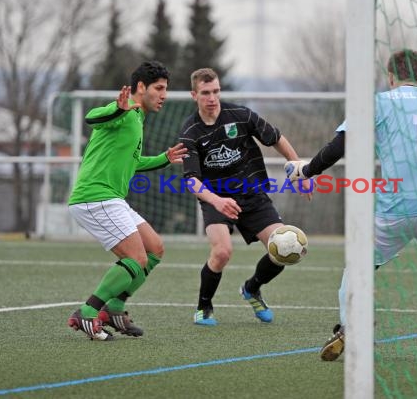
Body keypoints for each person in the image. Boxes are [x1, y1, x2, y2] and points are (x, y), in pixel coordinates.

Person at [285, 49, 417, 362]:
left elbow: (340, 145)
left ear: (390, 78)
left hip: (397, 207)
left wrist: (307, 171)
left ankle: (349, 325)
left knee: (360, 266)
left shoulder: (377, 102)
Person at [178, 68, 311, 326]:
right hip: (215, 197)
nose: (212, 98)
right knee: (222, 252)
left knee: (283, 248)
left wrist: (298, 170)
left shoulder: (240, 115)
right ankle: (204, 307)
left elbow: (276, 138)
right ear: (194, 95)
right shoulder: (190, 131)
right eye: (205, 93)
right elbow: (192, 180)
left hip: (252, 193)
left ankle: (252, 288)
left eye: (216, 91)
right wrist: (217, 201)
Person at [67, 61, 187, 341]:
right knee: (136, 257)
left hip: (112, 199)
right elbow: (93, 117)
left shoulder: (137, 119)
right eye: (159, 88)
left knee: (154, 249)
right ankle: (88, 311)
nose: (164, 95)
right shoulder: (124, 112)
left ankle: (115, 308)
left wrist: (164, 159)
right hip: (94, 198)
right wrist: (118, 108)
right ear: (141, 88)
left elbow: (133, 162)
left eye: (165, 89)